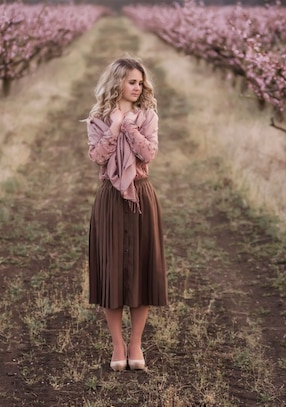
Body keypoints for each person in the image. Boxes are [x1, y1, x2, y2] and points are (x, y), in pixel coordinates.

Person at [85, 57, 167, 371]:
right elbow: (97, 157)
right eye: (132, 81)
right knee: (112, 270)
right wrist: (115, 125)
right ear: (117, 82)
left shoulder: (148, 116)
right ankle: (118, 345)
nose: (138, 87)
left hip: (141, 195)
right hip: (110, 197)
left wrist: (129, 127)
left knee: (142, 268)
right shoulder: (98, 118)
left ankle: (136, 344)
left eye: (140, 82)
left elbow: (148, 154)